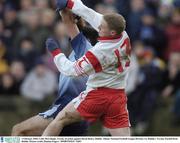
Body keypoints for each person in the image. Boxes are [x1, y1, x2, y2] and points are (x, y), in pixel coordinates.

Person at [42, 0, 131, 136]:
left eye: (102, 28)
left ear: (112, 32)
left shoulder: (99, 52)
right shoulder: (122, 34)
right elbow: (90, 14)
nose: (98, 28)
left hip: (97, 95)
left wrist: (56, 53)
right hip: (118, 96)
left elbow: (70, 71)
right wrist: (70, 3)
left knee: (60, 119)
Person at [11, 10, 93, 136]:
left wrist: (65, 9)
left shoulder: (83, 47)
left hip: (65, 109)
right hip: (77, 114)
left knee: (18, 130)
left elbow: (70, 25)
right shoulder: (84, 55)